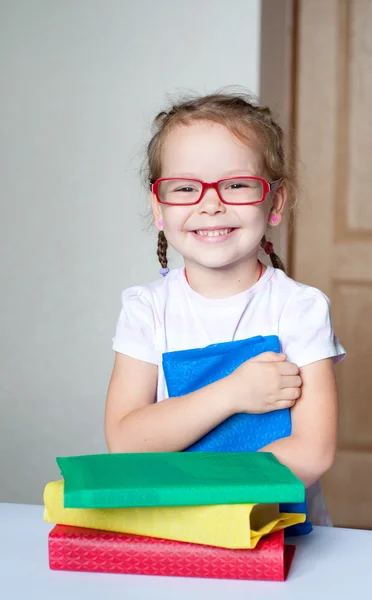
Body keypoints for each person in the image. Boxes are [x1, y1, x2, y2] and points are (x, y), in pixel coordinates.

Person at [105, 92, 345, 526]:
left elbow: (313, 451)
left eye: (235, 185)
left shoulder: (300, 310)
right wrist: (232, 394)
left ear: (274, 202)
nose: (210, 203)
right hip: (175, 531)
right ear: (158, 207)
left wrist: (185, 482)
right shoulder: (145, 311)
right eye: (184, 187)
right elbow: (125, 441)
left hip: (282, 536)